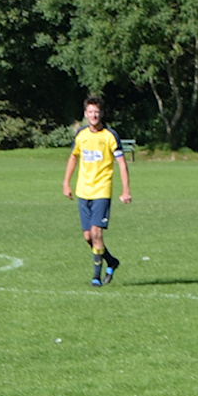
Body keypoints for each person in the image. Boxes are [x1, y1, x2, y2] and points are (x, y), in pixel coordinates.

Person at [61, 97, 130, 286]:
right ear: (85, 114)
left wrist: (125, 190)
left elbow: (122, 164)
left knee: (97, 233)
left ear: (101, 113)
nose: (94, 115)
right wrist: (66, 183)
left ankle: (96, 277)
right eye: (90, 112)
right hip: (83, 191)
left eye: (97, 112)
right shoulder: (81, 135)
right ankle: (111, 261)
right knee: (88, 237)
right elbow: (73, 158)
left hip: (101, 191)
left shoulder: (110, 136)